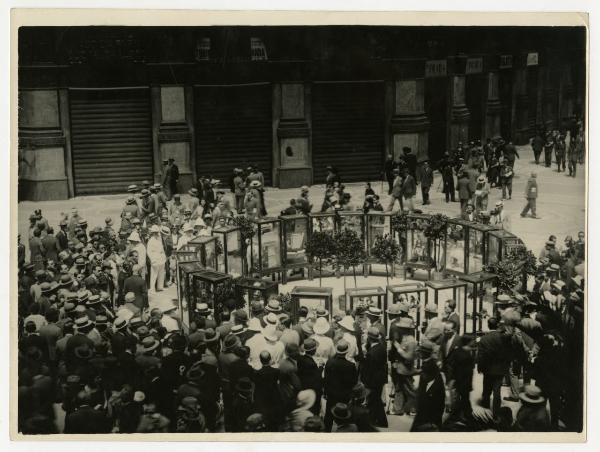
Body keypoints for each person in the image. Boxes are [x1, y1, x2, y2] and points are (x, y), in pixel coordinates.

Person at [323, 340, 358, 432]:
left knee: (328, 416)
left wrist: (325, 392)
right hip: (344, 395)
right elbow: (354, 382)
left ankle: (326, 432)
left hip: (331, 394)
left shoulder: (329, 362)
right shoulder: (351, 365)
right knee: (344, 416)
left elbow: (326, 379)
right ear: (346, 351)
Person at [359, 327, 388, 428]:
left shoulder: (371, 353)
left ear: (369, 339)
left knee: (374, 400)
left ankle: (380, 421)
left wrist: (365, 381)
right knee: (375, 400)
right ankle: (377, 420)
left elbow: (369, 369)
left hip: (373, 380)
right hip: (379, 379)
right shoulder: (381, 348)